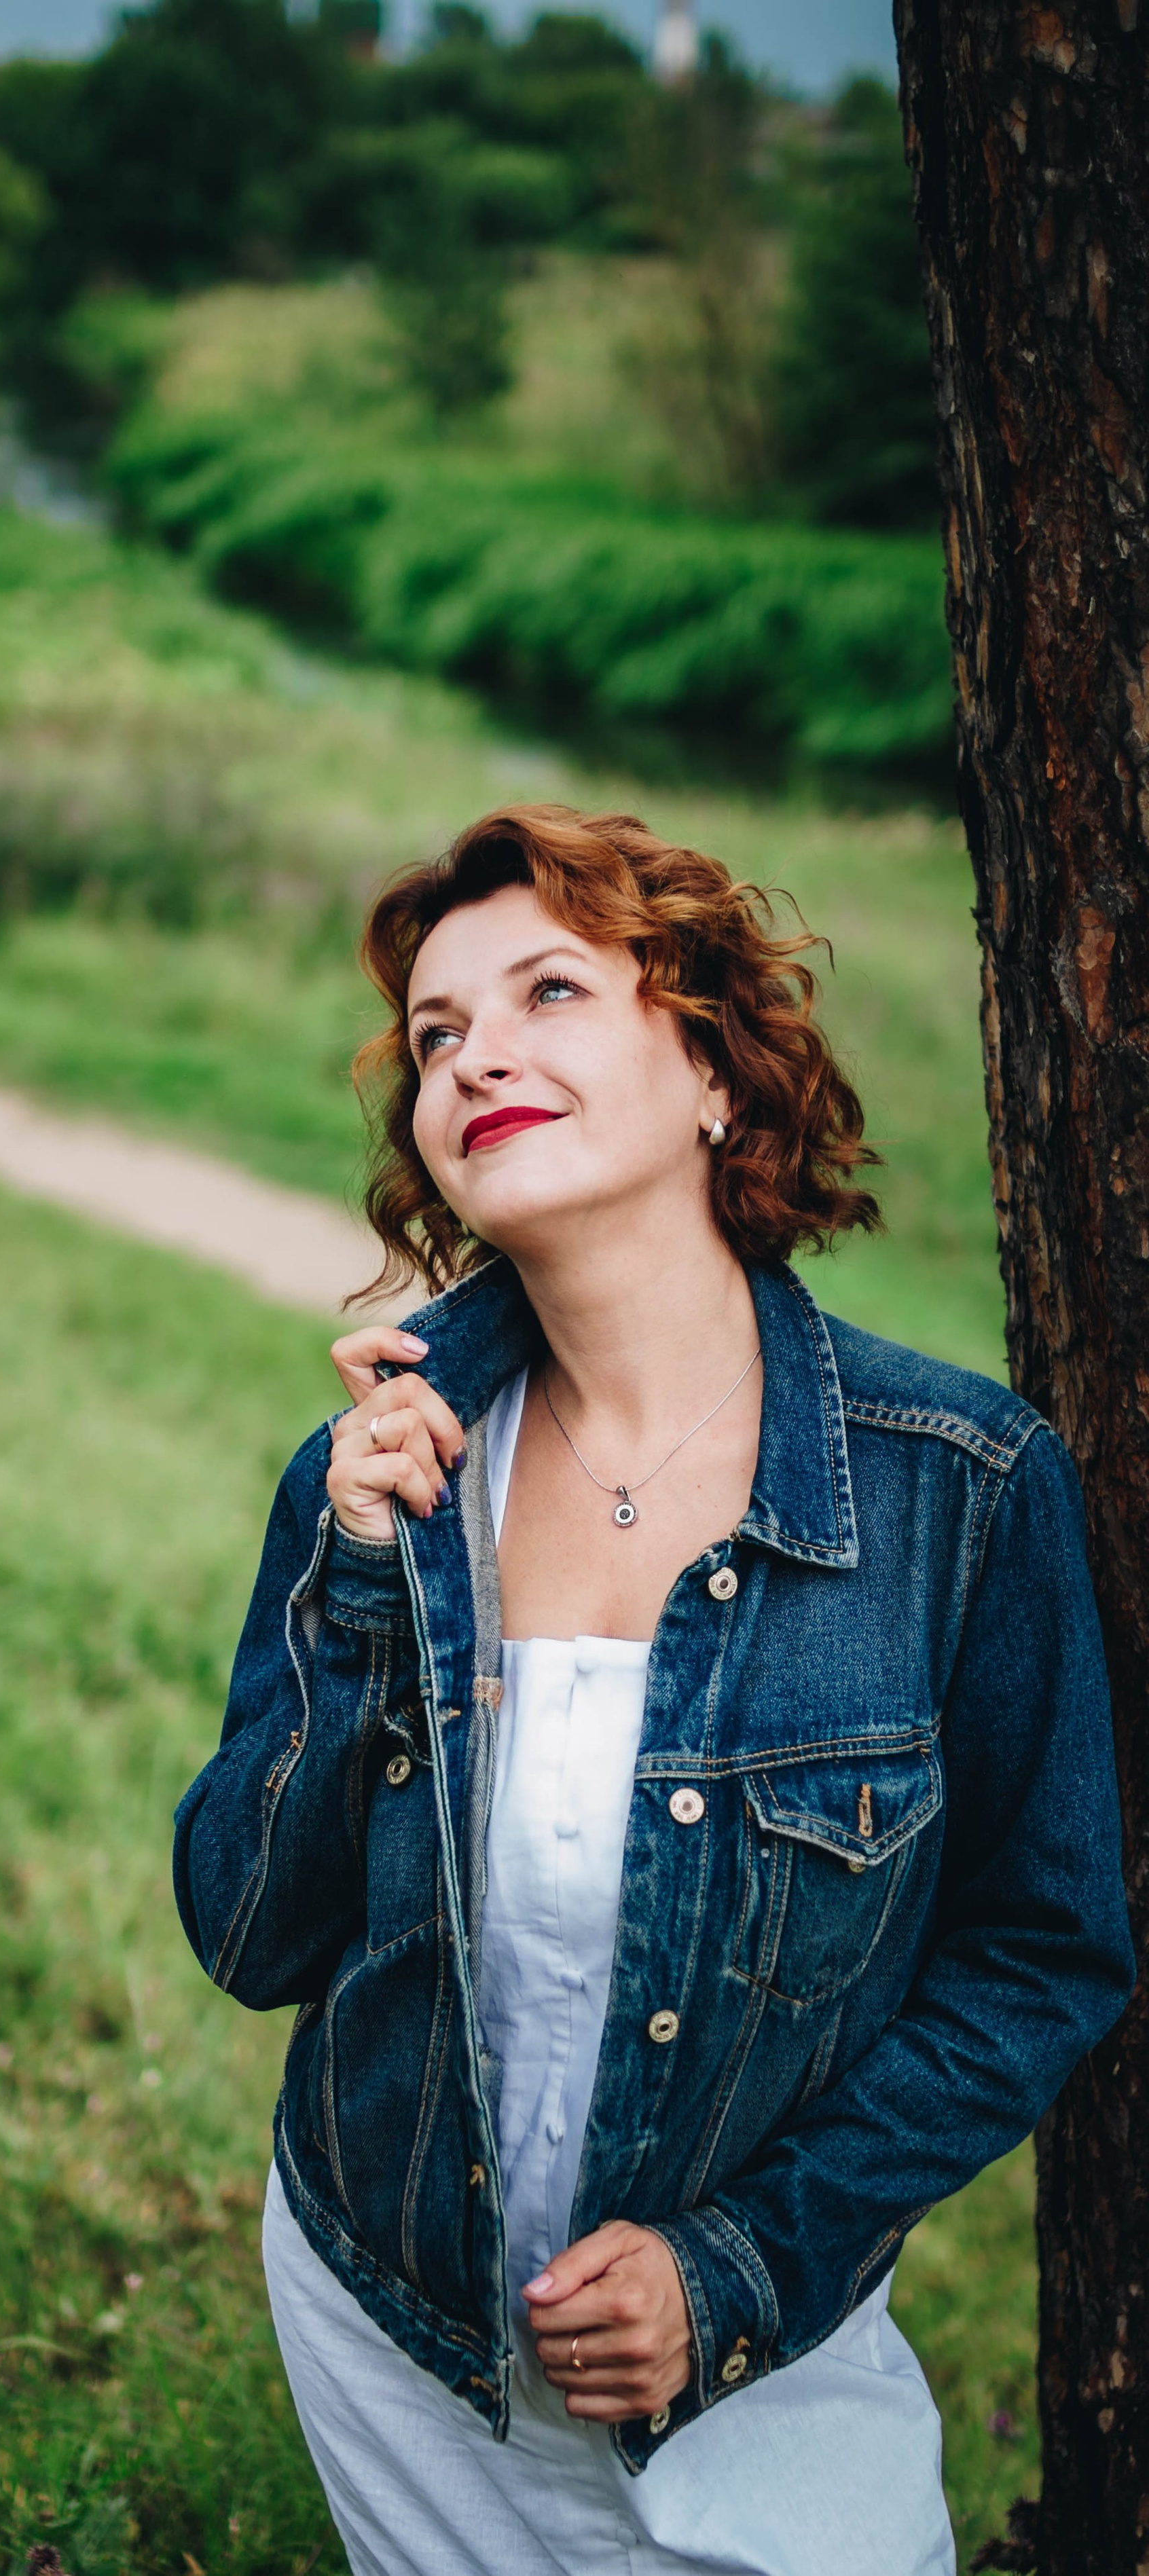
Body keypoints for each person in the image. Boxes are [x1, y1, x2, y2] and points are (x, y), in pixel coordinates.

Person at [172, 805, 1135, 2576]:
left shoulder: (963, 1492)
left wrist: (740, 2268)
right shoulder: (375, 1477)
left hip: (768, 2389)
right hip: (400, 2347)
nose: (478, 1055)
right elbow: (247, 1930)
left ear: (709, 1065)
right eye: (442, 1034)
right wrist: (361, 1575)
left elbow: (1044, 1953)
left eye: (548, 989)